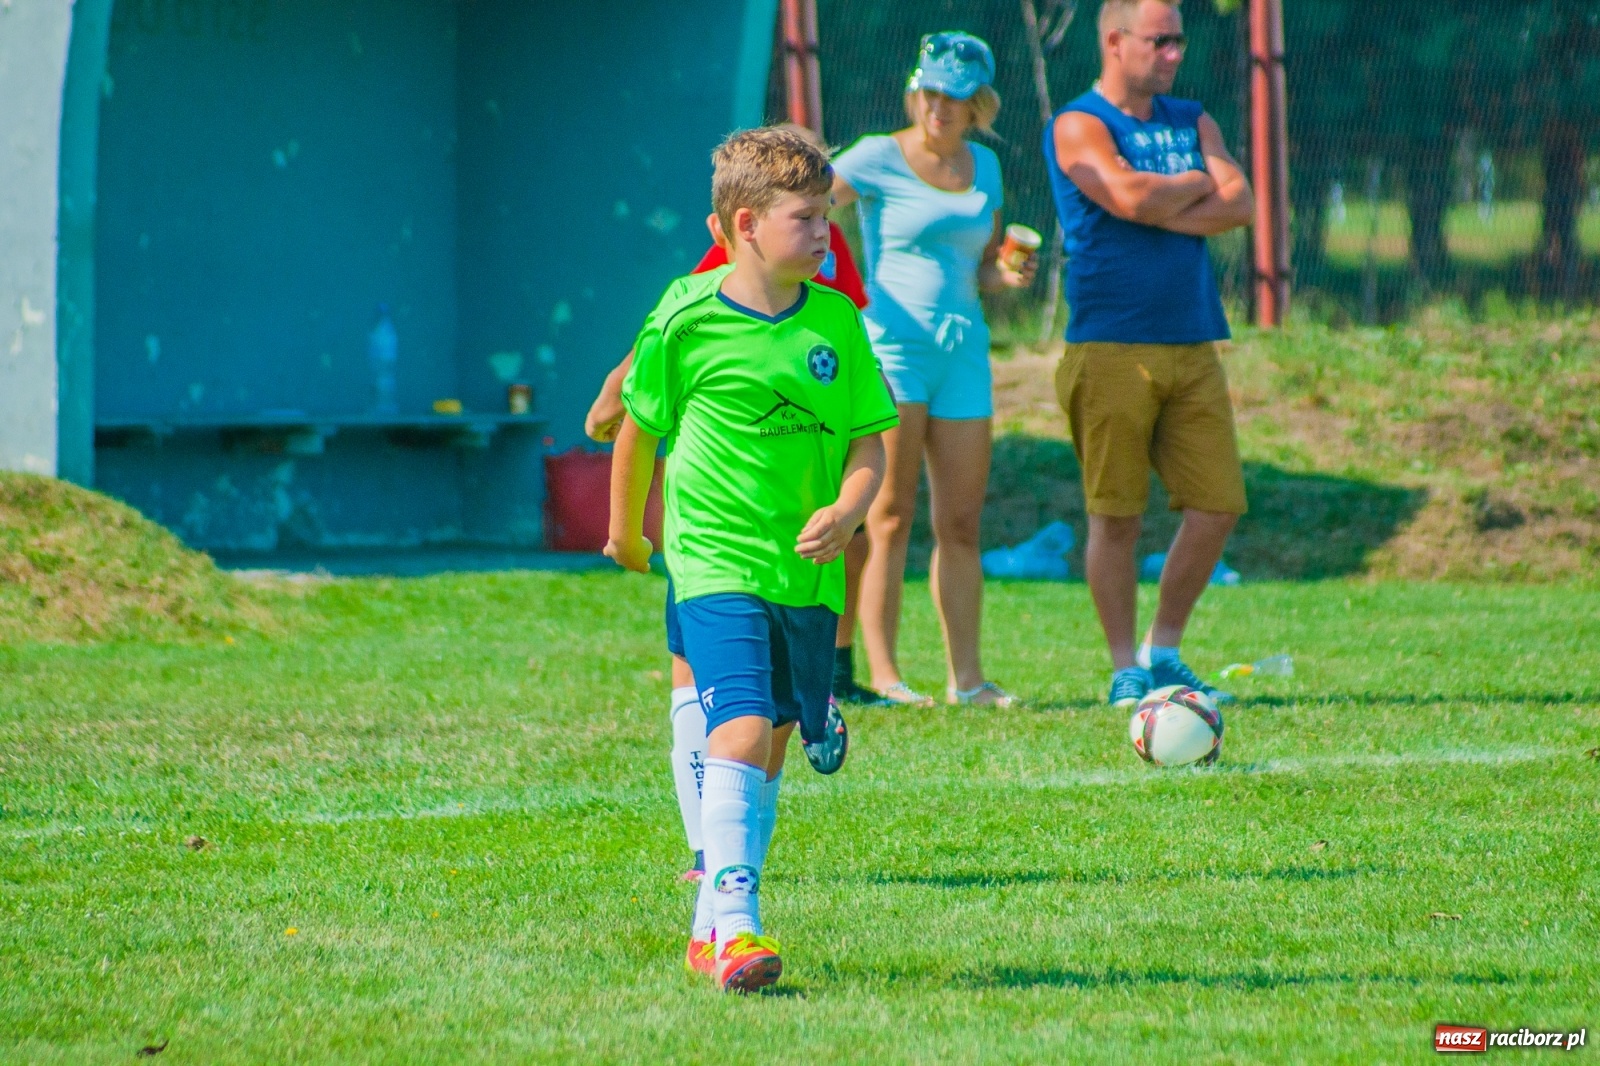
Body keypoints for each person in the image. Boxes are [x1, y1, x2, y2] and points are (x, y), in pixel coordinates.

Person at [606, 126, 896, 992]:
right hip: (713, 563)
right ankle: (737, 926)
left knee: (769, 745)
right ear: (744, 225)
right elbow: (636, 432)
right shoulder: (685, 317)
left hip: (805, 574)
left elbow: (869, 441)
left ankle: (710, 928)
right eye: (806, 218)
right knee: (735, 724)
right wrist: (626, 534)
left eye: (827, 215)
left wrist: (848, 510)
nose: (824, 234)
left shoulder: (837, 321)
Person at [1043, 0, 1254, 708]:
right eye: (1160, 41)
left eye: (1179, 41)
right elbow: (1128, 197)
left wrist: (1165, 198)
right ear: (1115, 40)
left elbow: (1241, 204)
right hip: (1109, 345)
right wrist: (1197, 181)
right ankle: (1122, 667)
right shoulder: (1079, 123)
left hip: (1193, 340)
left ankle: (1163, 650)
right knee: (1117, 517)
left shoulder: (1192, 118)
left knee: (1217, 505)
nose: (1174, 54)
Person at [831, 32, 1036, 708]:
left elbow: (979, 267)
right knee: (888, 515)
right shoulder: (876, 155)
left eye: (954, 96)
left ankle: (967, 681)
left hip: (963, 353)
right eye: (929, 92)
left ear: (979, 105)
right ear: (915, 91)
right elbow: (802, 209)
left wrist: (1006, 275)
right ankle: (885, 676)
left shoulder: (986, 167)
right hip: (892, 352)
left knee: (962, 524)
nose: (938, 107)